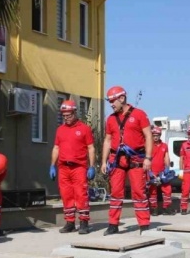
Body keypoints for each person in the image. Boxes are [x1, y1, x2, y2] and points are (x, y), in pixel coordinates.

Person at [101, 86, 153, 235]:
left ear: (122, 98)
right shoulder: (110, 119)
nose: (111, 104)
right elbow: (107, 140)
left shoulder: (139, 114)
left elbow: (148, 136)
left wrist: (148, 158)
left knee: (139, 192)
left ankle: (144, 225)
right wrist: (104, 161)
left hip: (136, 159)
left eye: (113, 101)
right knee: (115, 193)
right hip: (117, 160)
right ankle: (113, 225)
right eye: (109, 101)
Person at [50, 100, 96, 234]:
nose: (66, 118)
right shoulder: (60, 130)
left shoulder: (84, 129)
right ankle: (70, 222)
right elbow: (56, 147)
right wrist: (52, 165)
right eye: (63, 115)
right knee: (66, 195)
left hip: (79, 167)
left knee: (81, 195)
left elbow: (91, 148)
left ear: (75, 113)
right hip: (63, 167)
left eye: (68, 115)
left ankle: (83, 222)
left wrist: (92, 166)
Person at [148, 126, 175, 215]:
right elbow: (146, 158)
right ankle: (154, 209)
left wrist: (167, 168)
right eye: (154, 135)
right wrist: (149, 171)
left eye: (157, 135)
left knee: (167, 190)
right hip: (152, 172)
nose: (155, 137)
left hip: (162, 172)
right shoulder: (148, 145)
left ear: (160, 135)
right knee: (153, 191)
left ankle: (167, 208)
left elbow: (166, 157)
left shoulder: (164, 146)